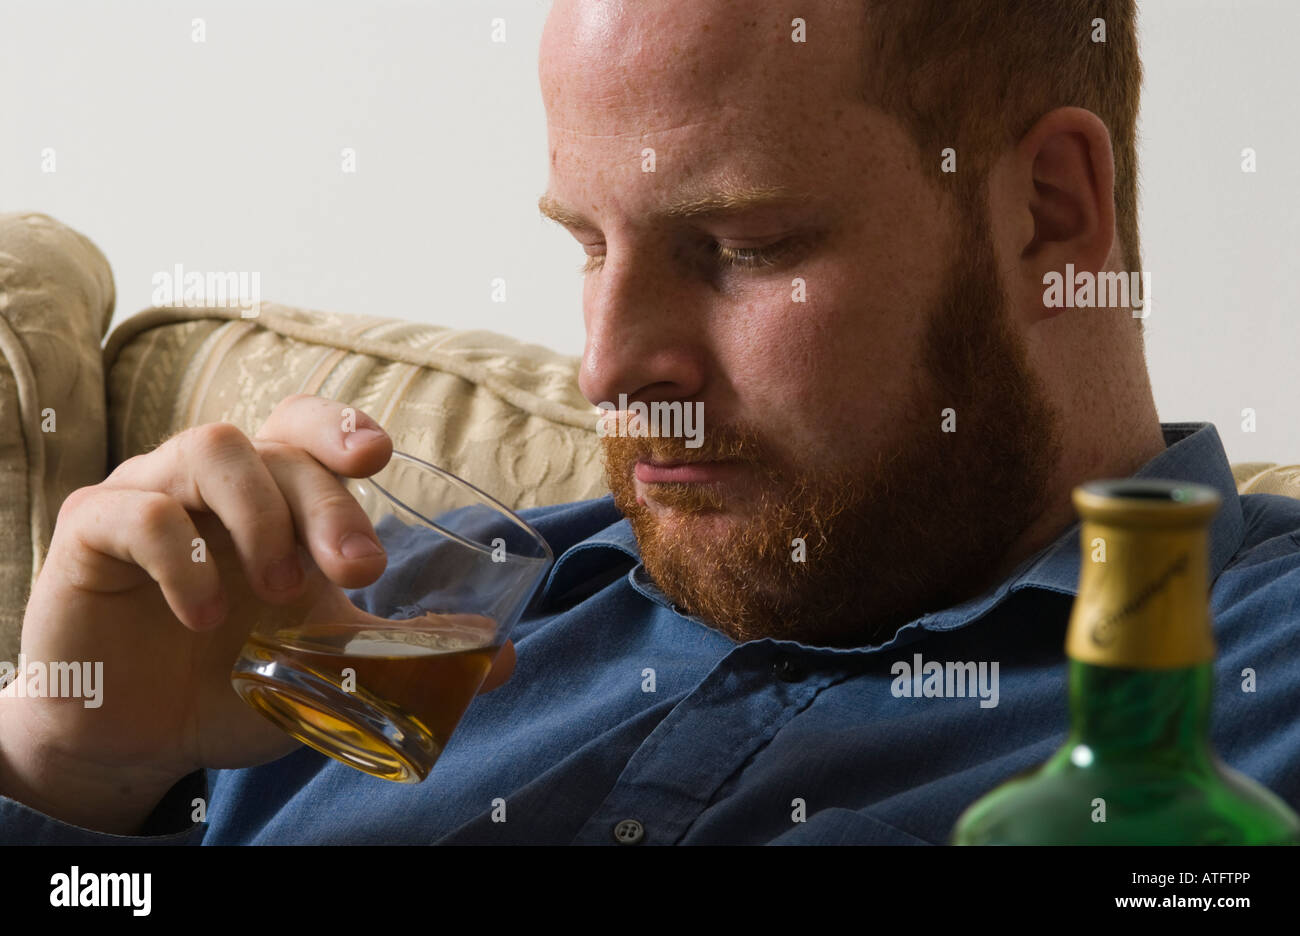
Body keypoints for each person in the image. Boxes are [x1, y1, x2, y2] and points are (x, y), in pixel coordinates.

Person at [2, 0, 1297, 845]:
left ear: (1054, 213)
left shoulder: (1251, 705)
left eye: (736, 246)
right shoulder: (372, 609)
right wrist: (71, 774)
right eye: (588, 247)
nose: (609, 367)